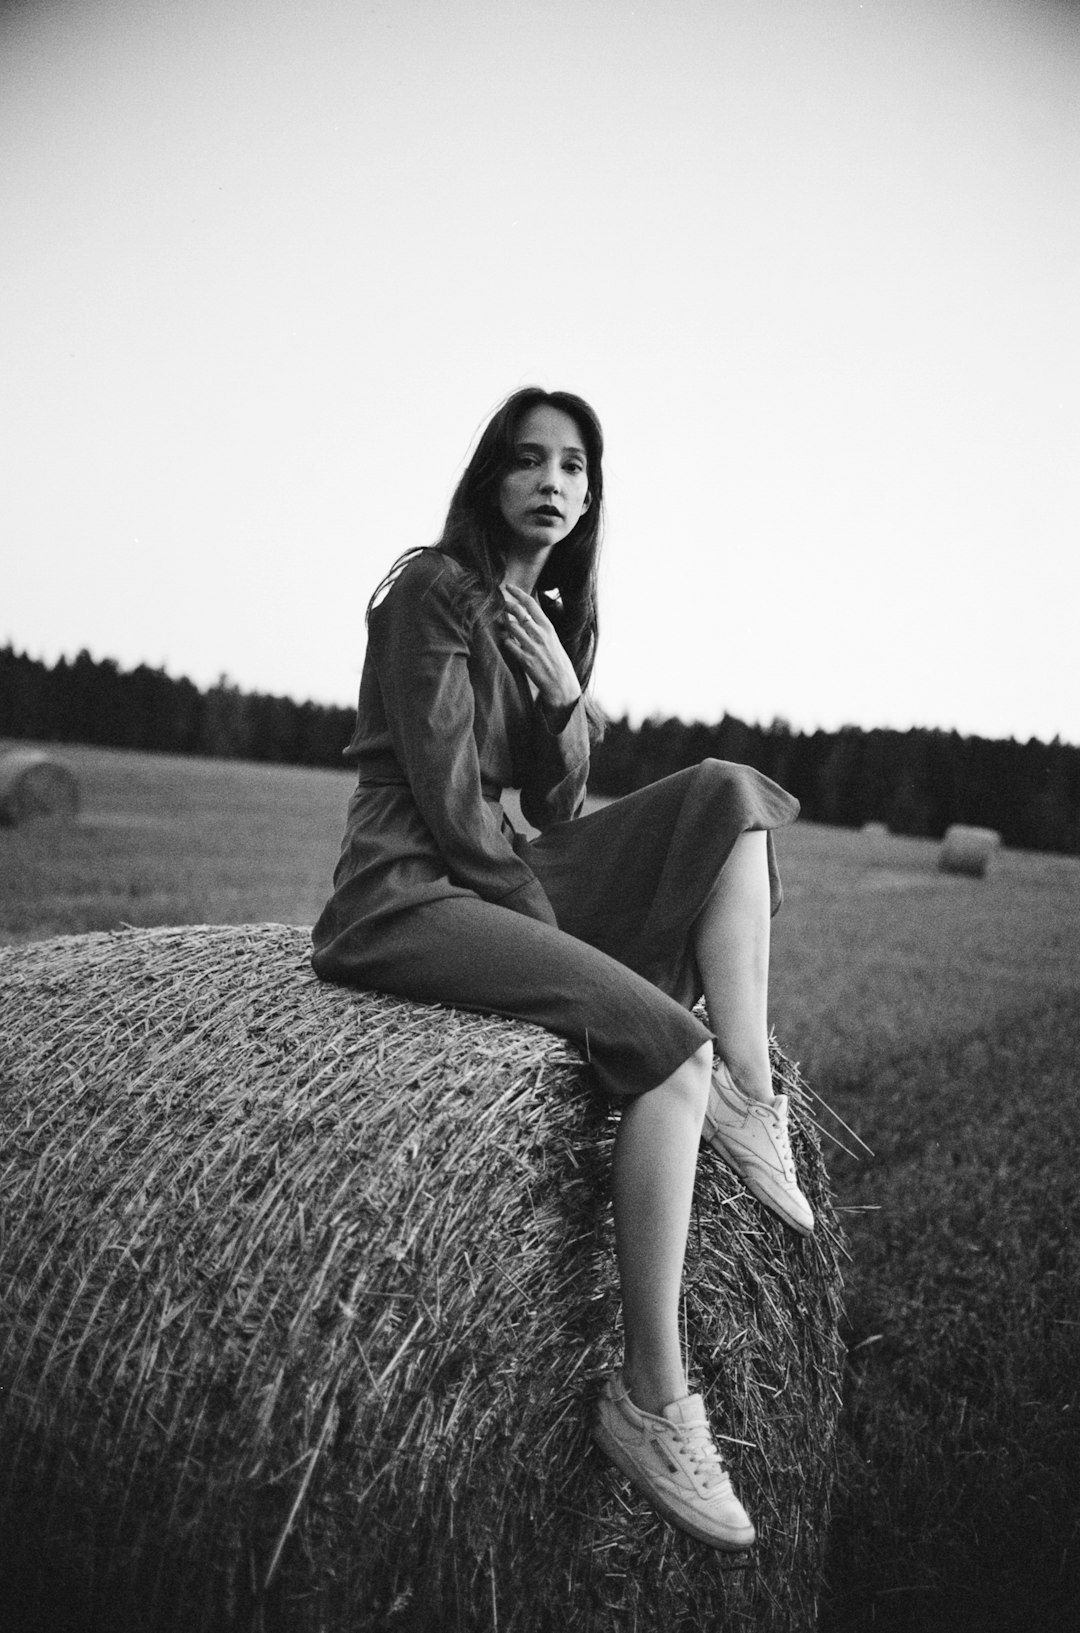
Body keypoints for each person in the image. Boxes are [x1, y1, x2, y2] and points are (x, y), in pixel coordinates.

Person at [312, 386, 809, 1552]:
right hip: (409, 891)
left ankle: (750, 1085)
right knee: (660, 1055)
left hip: (504, 863)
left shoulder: (548, 616)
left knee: (730, 798)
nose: (553, 481)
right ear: (492, 477)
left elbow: (554, 804)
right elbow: (445, 802)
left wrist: (565, 694)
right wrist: (551, 923)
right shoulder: (432, 590)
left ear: (590, 496)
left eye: (575, 467)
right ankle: (648, 1398)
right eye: (529, 460)